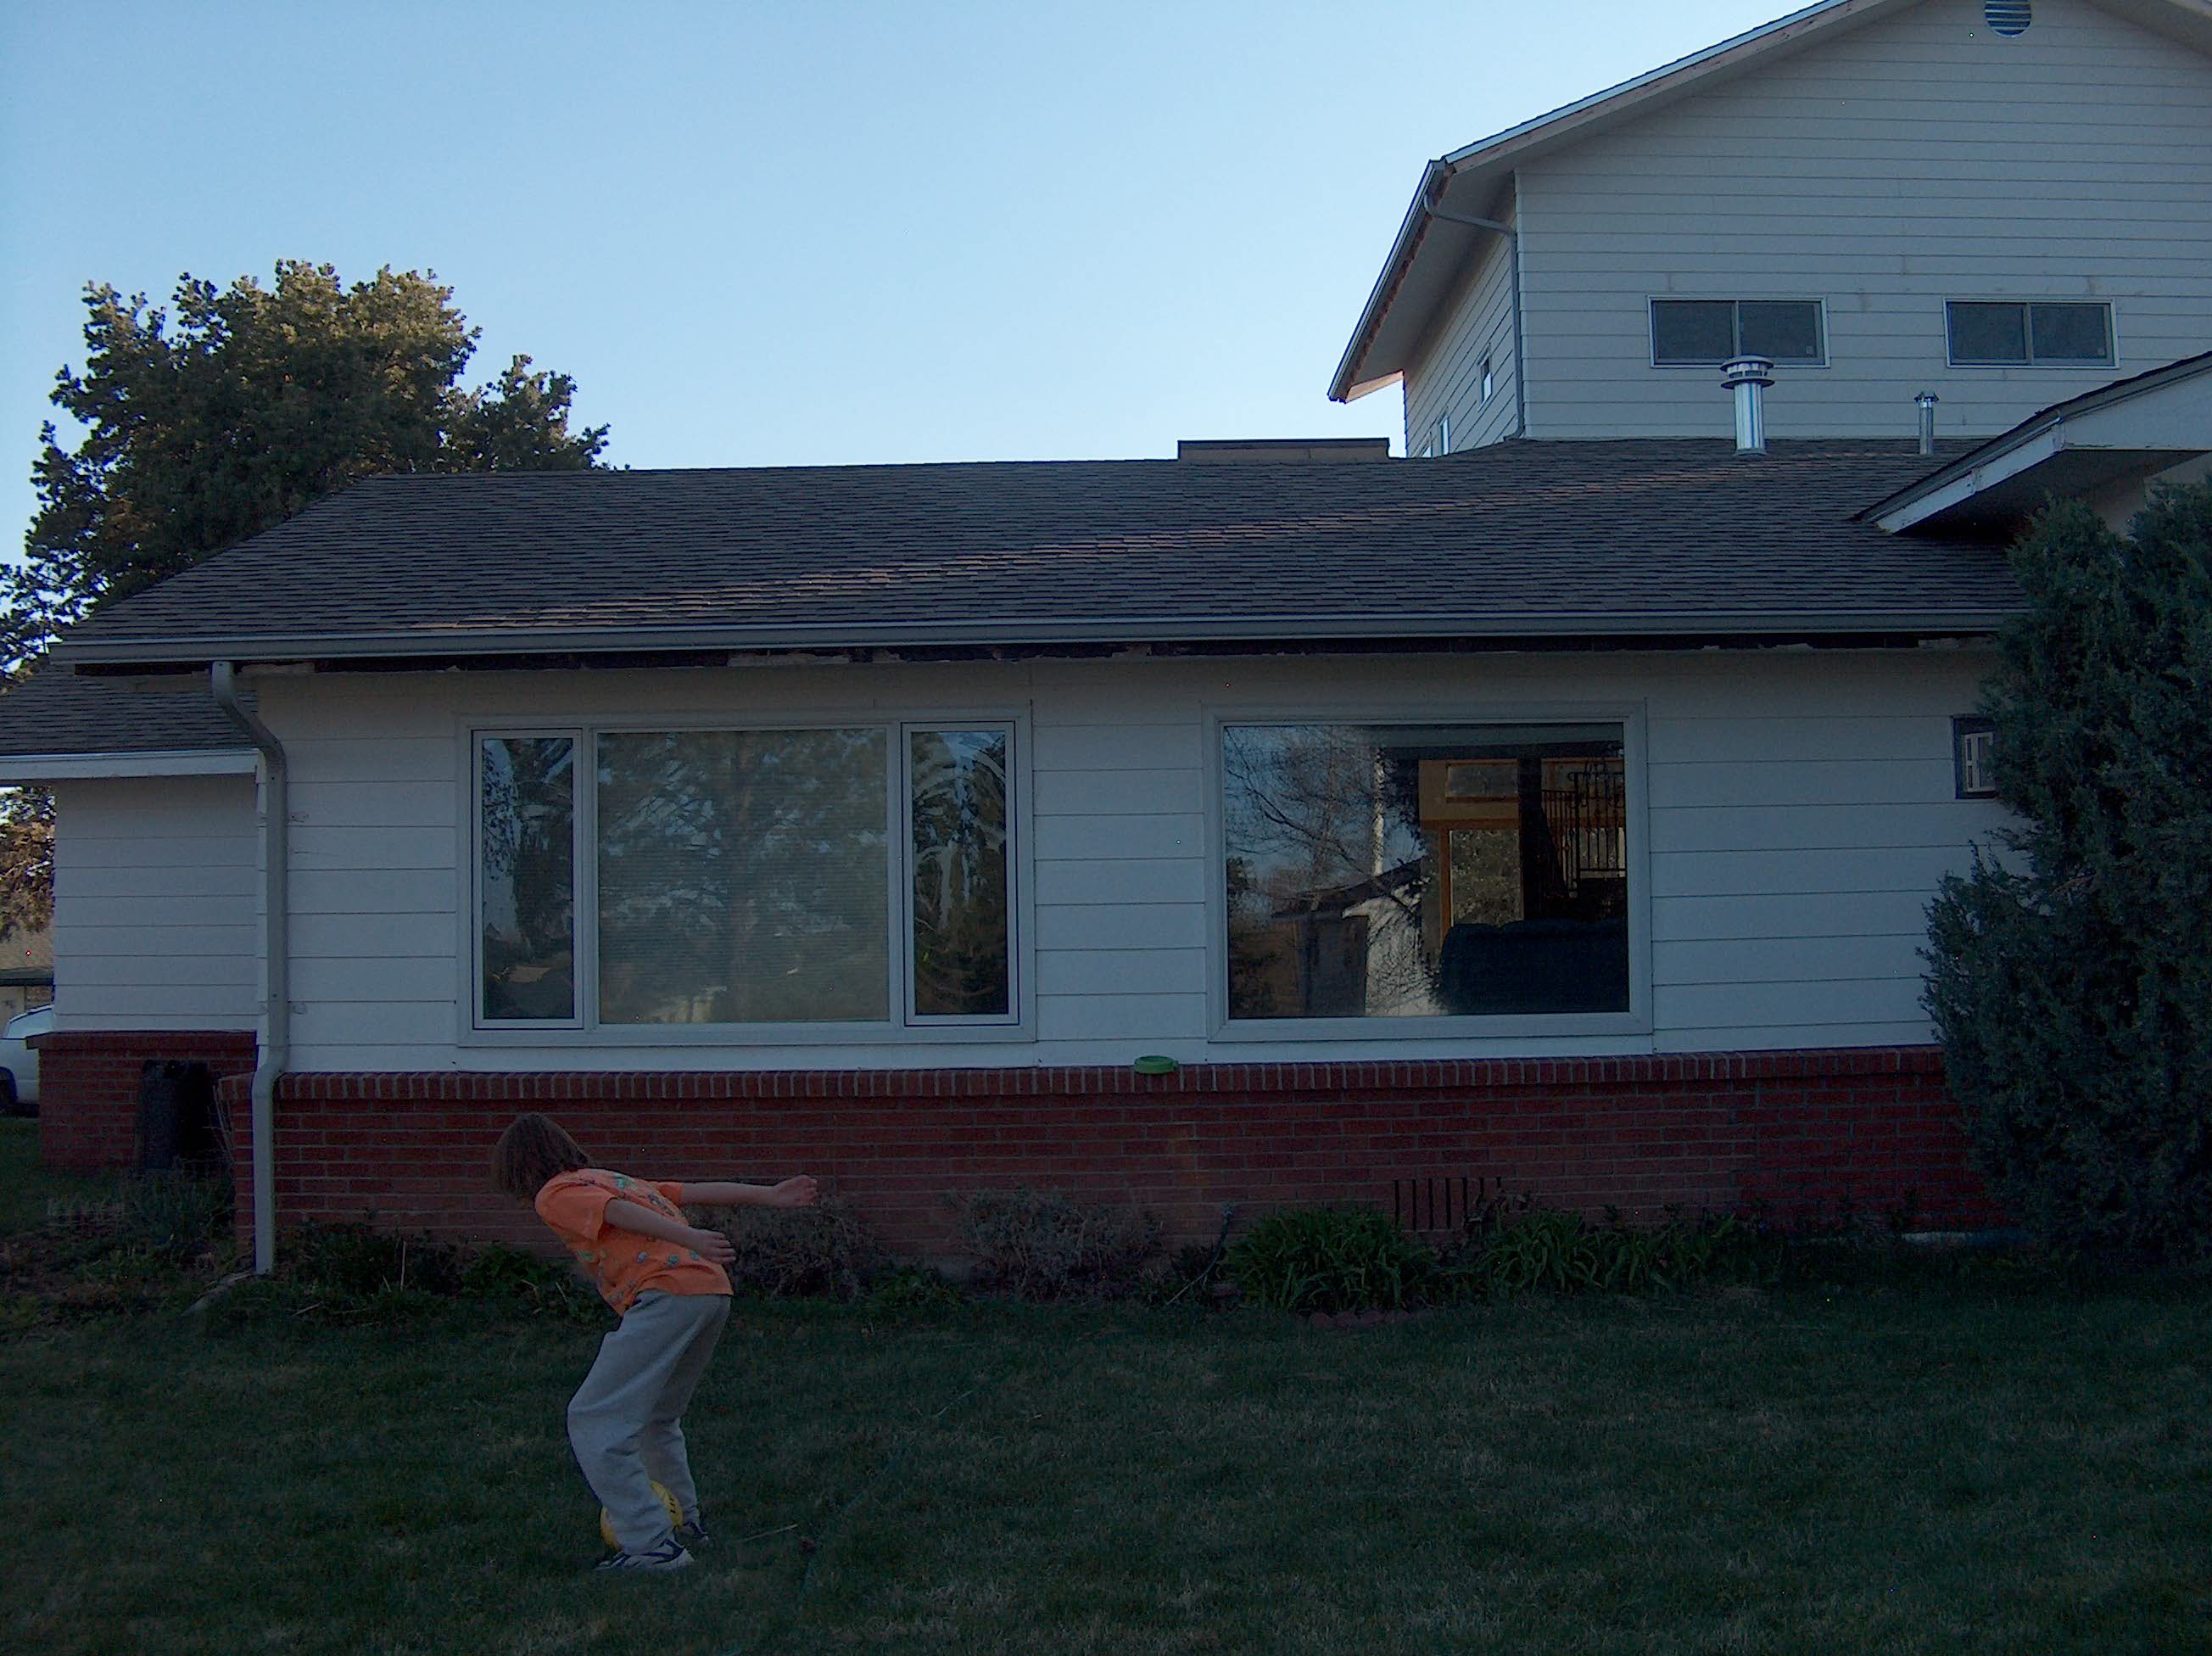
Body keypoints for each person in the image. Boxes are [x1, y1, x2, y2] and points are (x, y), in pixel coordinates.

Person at [490, 1111, 818, 1572]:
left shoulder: (556, 1193)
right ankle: (685, 1525)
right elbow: (693, 1191)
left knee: (595, 1419)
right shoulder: (613, 1179)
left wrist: (689, 1236)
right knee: (657, 1419)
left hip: (668, 1294)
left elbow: (615, 1213)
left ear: (517, 1168)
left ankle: (651, 1545)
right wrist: (767, 1195)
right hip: (708, 1292)